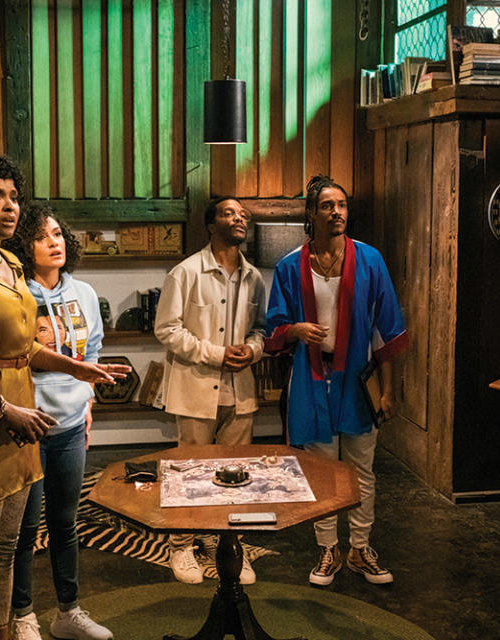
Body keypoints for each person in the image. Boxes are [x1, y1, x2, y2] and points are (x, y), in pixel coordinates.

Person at [0, 154, 127, 640]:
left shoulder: (10, 264)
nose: (10, 206)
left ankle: (2, 630)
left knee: (8, 546)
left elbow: (24, 347)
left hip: (23, 425)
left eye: (14, 196)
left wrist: (78, 368)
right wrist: (4, 408)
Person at [264, 175, 407, 587]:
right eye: (327, 205)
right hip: (312, 377)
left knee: (362, 467)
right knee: (323, 471)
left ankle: (361, 548)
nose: (337, 212)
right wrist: (295, 331)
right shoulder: (291, 266)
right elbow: (275, 327)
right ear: (312, 214)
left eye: (342, 205)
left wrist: (389, 390)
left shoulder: (370, 260)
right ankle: (328, 549)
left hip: (358, 379)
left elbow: (388, 331)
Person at [2, 204, 113, 640]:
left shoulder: (83, 293)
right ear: (22, 246)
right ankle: (22, 614)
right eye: (42, 236)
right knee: (25, 528)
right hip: (27, 428)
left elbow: (93, 352)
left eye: (58, 234)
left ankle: (68, 611)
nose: (55, 241)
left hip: (70, 426)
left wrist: (88, 403)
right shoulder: (14, 293)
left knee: (66, 523)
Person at [154, 196, 266, 584]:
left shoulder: (254, 277)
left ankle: (230, 550)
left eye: (243, 214)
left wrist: (252, 349)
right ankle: (182, 545)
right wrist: (215, 354)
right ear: (210, 224)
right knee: (189, 473)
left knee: (237, 476)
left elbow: (261, 329)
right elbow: (166, 329)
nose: (239, 218)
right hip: (196, 387)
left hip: (242, 390)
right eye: (229, 213)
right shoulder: (184, 272)